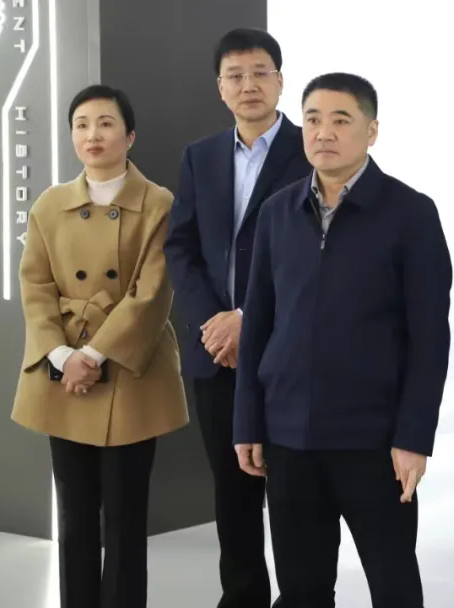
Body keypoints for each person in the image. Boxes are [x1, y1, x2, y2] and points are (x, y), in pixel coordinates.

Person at [233, 73, 452, 606]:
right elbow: (257, 324)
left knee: (394, 585)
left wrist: (414, 437)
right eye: (312, 119)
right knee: (301, 589)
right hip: (289, 438)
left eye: (340, 120)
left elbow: (430, 338)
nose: (323, 133)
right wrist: (248, 423)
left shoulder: (410, 213)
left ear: (371, 131)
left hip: (374, 441)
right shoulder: (276, 213)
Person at [12, 85, 189, 608]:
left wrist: (94, 355)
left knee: (126, 518)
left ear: (129, 136)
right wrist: (62, 355)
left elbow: (152, 294)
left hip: (131, 372)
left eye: (106, 123)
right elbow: (35, 286)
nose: (93, 134)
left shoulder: (158, 203)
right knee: (74, 516)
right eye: (82, 124)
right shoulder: (49, 204)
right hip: (63, 373)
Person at [163, 28, 310, 607]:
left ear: (280, 80)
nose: (248, 85)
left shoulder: (312, 149)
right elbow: (181, 247)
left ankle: (300, 597)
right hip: (218, 354)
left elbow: (319, 254)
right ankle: (243, 597)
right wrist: (213, 322)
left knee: (294, 492)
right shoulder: (199, 157)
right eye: (235, 75)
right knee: (233, 491)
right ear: (219, 88)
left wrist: (250, 316)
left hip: (289, 351)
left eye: (260, 72)